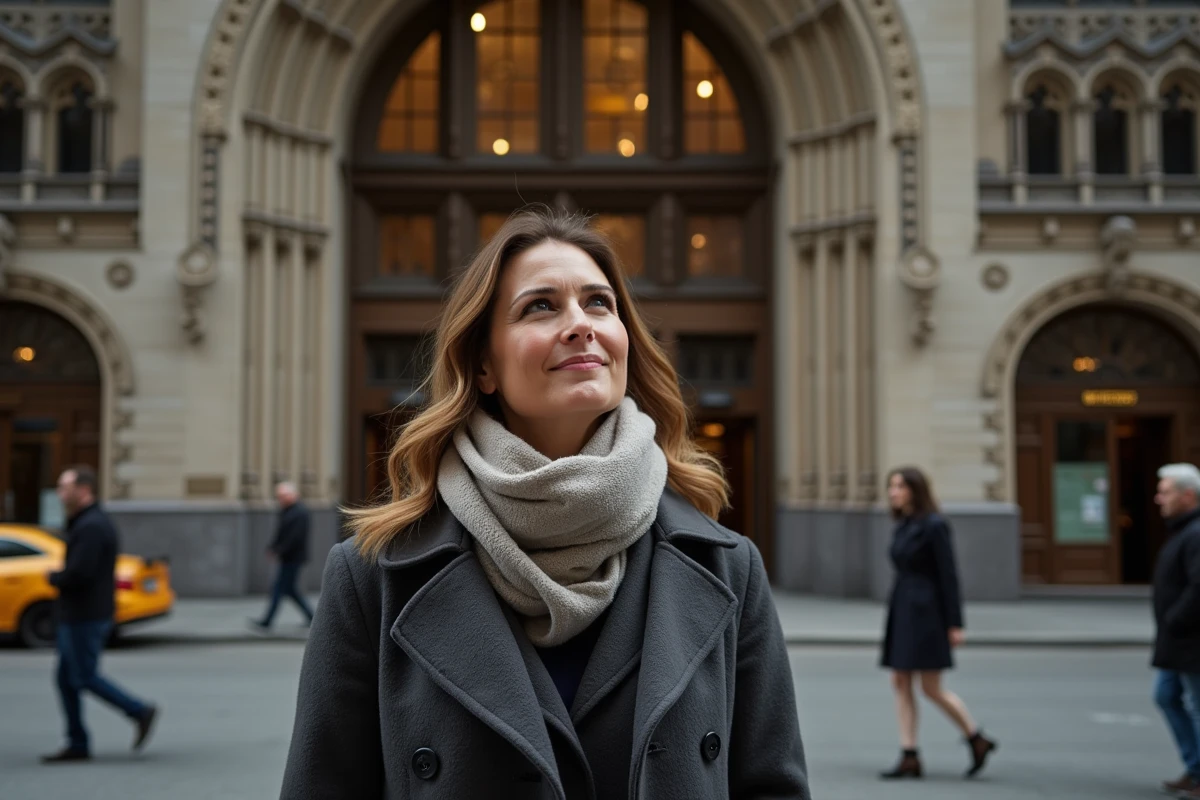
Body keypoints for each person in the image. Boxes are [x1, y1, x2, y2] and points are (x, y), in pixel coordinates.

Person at [280, 209, 810, 798]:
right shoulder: (371, 580)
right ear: (483, 365)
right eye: (540, 306)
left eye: (599, 303)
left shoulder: (730, 569)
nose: (581, 324)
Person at [879, 466, 996, 780]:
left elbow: (949, 575)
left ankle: (975, 737)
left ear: (915, 490)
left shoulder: (934, 525)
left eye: (900, 486)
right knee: (900, 680)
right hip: (903, 608)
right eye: (891, 486)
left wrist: (955, 624)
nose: (893, 492)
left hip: (927, 612)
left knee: (930, 687)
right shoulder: (904, 524)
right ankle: (909, 754)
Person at [42, 465, 158, 763]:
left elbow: (80, 573)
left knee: (83, 676)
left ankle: (138, 710)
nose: (60, 494)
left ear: (84, 490)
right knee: (67, 679)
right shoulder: (86, 522)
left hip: (85, 614)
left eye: (65, 488)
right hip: (82, 613)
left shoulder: (91, 526)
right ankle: (77, 741)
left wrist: (54, 578)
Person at [1151, 463, 1200, 798]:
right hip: (1176, 640)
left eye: (1165, 492)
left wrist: (1176, 619)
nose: (1159, 498)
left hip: (1190, 641)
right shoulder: (1183, 530)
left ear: (1188, 495)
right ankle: (1195, 768)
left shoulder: (1195, 533)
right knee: (1166, 696)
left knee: (1196, 704)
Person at [250, 482, 314, 631]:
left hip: (293, 557)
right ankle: (312, 617)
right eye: (279, 496)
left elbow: (295, 537)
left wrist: (279, 550)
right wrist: (273, 547)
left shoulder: (300, 512)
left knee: (278, 589)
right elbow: (281, 533)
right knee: (290, 590)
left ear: (293, 495)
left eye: (284, 496)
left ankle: (267, 621)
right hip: (288, 557)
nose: (281, 499)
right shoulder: (287, 511)